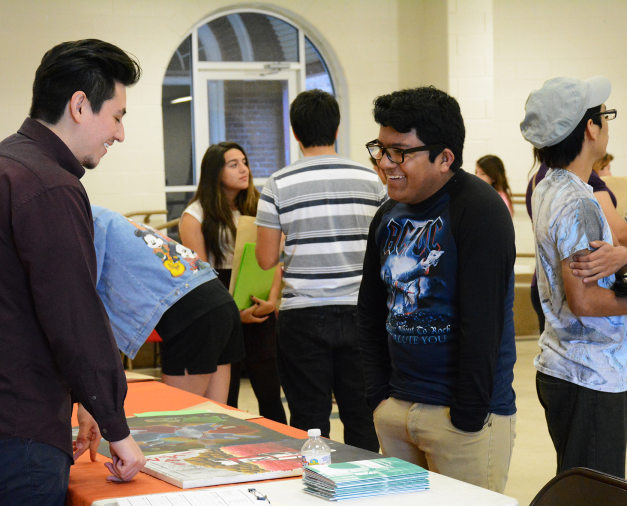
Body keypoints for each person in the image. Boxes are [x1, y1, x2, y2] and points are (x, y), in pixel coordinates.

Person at [0, 40, 146, 505]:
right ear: (80, 105)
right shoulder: (48, 185)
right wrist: (118, 430)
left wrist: (85, 403)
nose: (119, 134)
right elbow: (74, 318)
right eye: (117, 116)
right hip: (17, 438)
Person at [357, 86, 517, 492]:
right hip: (397, 408)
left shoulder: (479, 210)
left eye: (399, 152)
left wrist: (465, 415)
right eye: (380, 148)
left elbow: (483, 324)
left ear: (445, 158)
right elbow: (371, 312)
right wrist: (380, 398)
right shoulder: (387, 216)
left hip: (460, 418)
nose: (384, 163)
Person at [255, 89, 384, 452]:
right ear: (337, 128)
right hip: (363, 313)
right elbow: (387, 246)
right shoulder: (372, 179)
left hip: (303, 317)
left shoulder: (278, 183)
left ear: (295, 132)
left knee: (309, 423)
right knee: (363, 418)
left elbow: (265, 259)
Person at [521, 75, 627, 477]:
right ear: (590, 128)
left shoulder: (549, 184)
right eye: (606, 116)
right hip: (591, 376)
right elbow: (585, 301)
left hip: (566, 366)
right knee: (597, 494)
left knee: (578, 486)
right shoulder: (579, 201)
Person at [92, 205, 245, 404]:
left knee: (180, 422)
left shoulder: (82, 224)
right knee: (214, 419)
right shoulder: (107, 218)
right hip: (219, 299)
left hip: (193, 314)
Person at [179, 142, 286, 424]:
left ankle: (282, 454)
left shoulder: (259, 205)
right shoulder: (196, 215)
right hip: (218, 300)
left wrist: (272, 299)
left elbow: (275, 260)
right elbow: (199, 276)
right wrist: (234, 315)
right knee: (228, 397)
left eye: (245, 162)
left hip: (257, 296)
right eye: (233, 164)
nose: (244, 170)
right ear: (215, 172)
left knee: (270, 393)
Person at [526, 151, 626, 334]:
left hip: (550, 289)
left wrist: (622, 255)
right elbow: (584, 301)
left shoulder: (545, 182)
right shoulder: (577, 195)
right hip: (587, 339)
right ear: (590, 129)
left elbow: (615, 244)